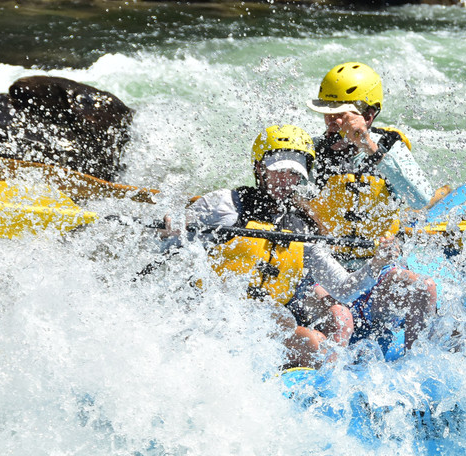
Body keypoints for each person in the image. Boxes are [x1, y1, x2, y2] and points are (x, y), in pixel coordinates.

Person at [172, 125, 401, 367]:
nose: (286, 180)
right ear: (260, 169)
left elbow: (345, 289)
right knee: (312, 342)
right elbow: (169, 241)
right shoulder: (224, 205)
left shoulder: (302, 228)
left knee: (319, 345)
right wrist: (173, 225)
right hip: (212, 313)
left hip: (264, 321)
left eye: (294, 173)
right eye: (279, 170)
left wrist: (377, 262)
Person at [301, 62, 438, 349]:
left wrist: (369, 147)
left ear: (369, 115)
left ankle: (415, 365)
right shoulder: (312, 151)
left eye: (340, 116)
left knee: (423, 289)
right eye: (328, 114)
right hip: (328, 273)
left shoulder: (390, 146)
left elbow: (420, 199)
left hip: (378, 271)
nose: (331, 123)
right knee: (340, 319)